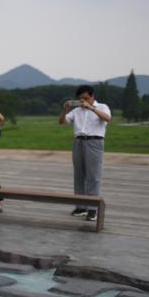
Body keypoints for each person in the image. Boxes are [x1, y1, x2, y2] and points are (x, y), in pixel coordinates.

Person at [59, 85, 111, 222]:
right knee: (79, 175)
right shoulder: (76, 111)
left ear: (92, 96)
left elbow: (107, 118)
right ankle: (81, 206)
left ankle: (93, 209)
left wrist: (91, 108)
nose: (82, 101)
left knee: (93, 176)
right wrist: (65, 110)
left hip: (94, 142)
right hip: (78, 142)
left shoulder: (102, 106)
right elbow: (62, 122)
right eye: (80, 98)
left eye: (85, 98)